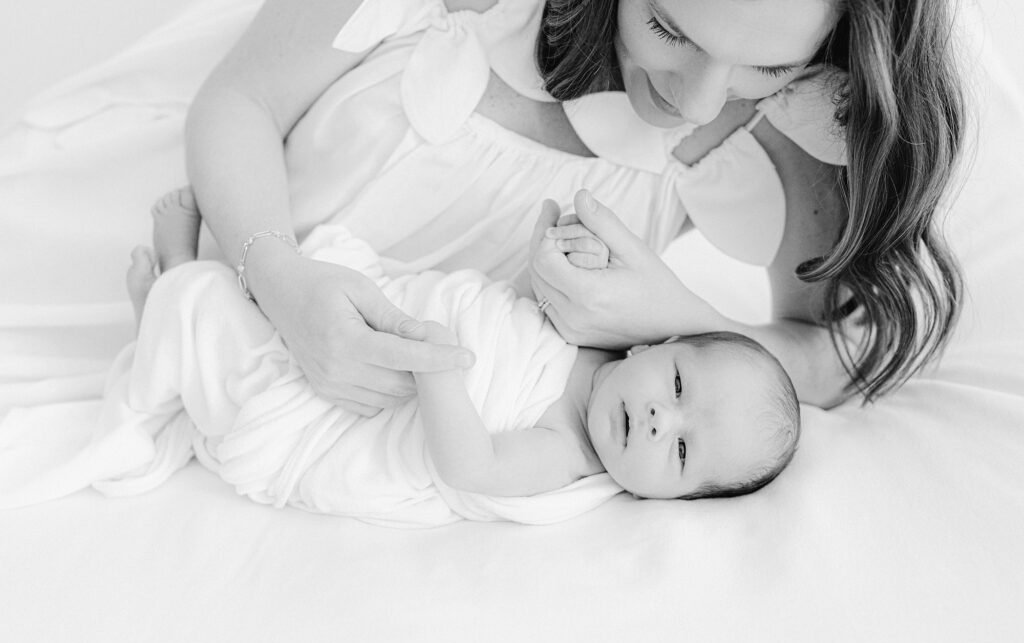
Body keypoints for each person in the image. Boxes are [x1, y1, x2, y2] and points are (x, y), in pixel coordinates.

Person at [184, 0, 965, 414]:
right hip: (214, 217)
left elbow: (839, 354)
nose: (698, 102)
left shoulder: (792, 117)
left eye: (764, 64)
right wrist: (280, 280)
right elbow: (239, 101)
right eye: (669, 27)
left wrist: (675, 317)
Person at [105, 188, 799, 525]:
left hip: (354, 411)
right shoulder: (597, 336)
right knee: (276, 300)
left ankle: (169, 278)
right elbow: (519, 308)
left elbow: (473, 465)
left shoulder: (566, 453)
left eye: (681, 452)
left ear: (672, 498)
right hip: (388, 315)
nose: (658, 419)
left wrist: (439, 374)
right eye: (677, 385)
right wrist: (560, 255)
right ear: (656, 340)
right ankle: (182, 289)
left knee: (213, 338)